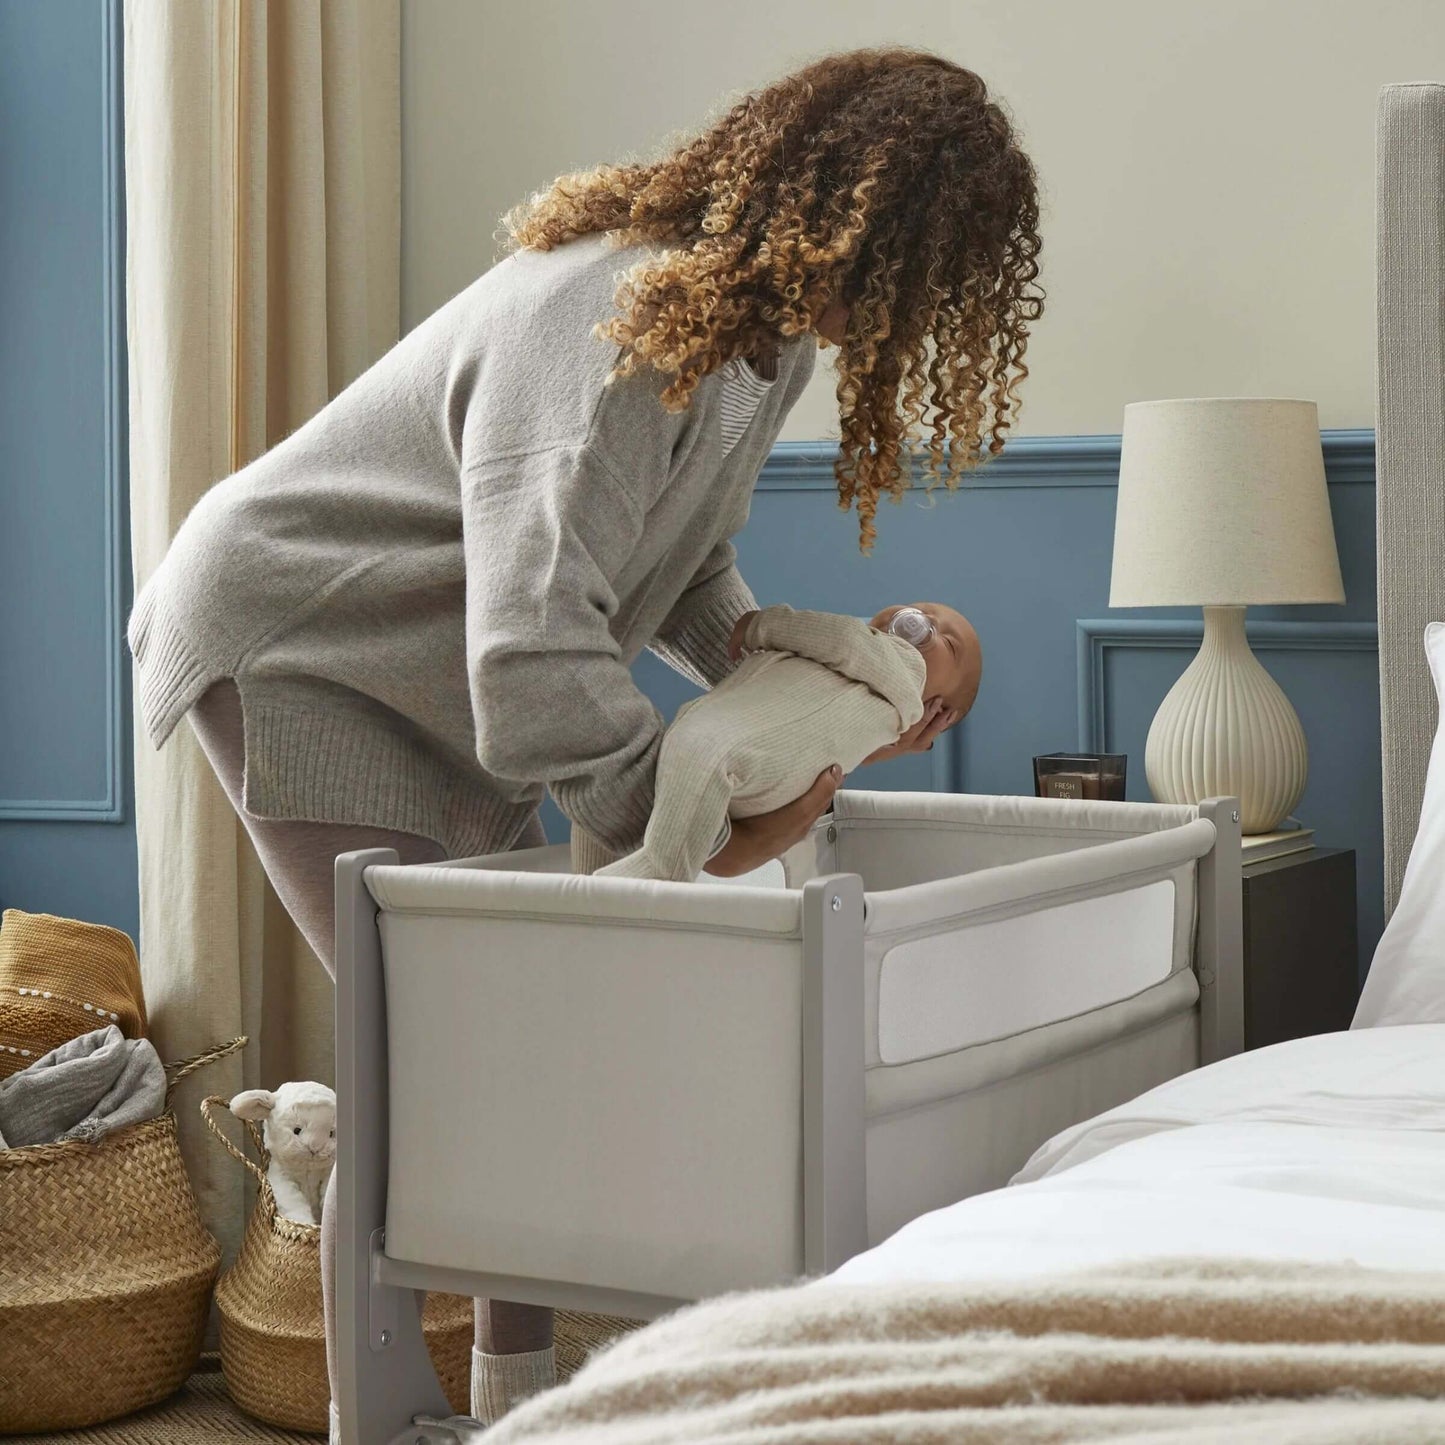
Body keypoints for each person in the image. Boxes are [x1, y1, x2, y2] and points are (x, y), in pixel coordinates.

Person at [127, 45, 1041, 1432]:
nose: (917, 314)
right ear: (847, 221)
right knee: (442, 1051)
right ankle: (405, 1415)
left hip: (448, 655)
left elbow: (673, 567)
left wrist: (798, 683)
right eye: (921, 273)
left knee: (510, 1058)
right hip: (300, 643)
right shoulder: (616, 331)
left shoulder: (763, 339)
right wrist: (708, 825)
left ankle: (514, 1411)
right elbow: (536, 651)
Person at [595, 602, 982, 882]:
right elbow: (830, 745)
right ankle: (661, 870)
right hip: (770, 790)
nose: (927, 623)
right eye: (925, 610)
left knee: (696, 750)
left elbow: (842, 639)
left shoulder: (902, 662)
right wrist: (899, 744)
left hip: (731, 749)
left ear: (937, 708)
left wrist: (762, 626)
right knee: (702, 772)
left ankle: (653, 873)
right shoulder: (883, 712)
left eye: (949, 645)